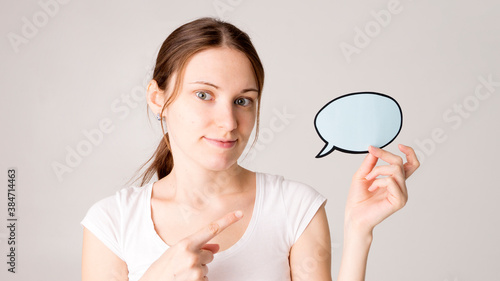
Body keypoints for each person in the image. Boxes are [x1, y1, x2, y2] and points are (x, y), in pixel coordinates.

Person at [81, 17, 419, 281]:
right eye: (204, 95)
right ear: (158, 99)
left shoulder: (295, 208)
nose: (229, 121)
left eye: (243, 101)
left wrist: (358, 231)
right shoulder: (112, 222)